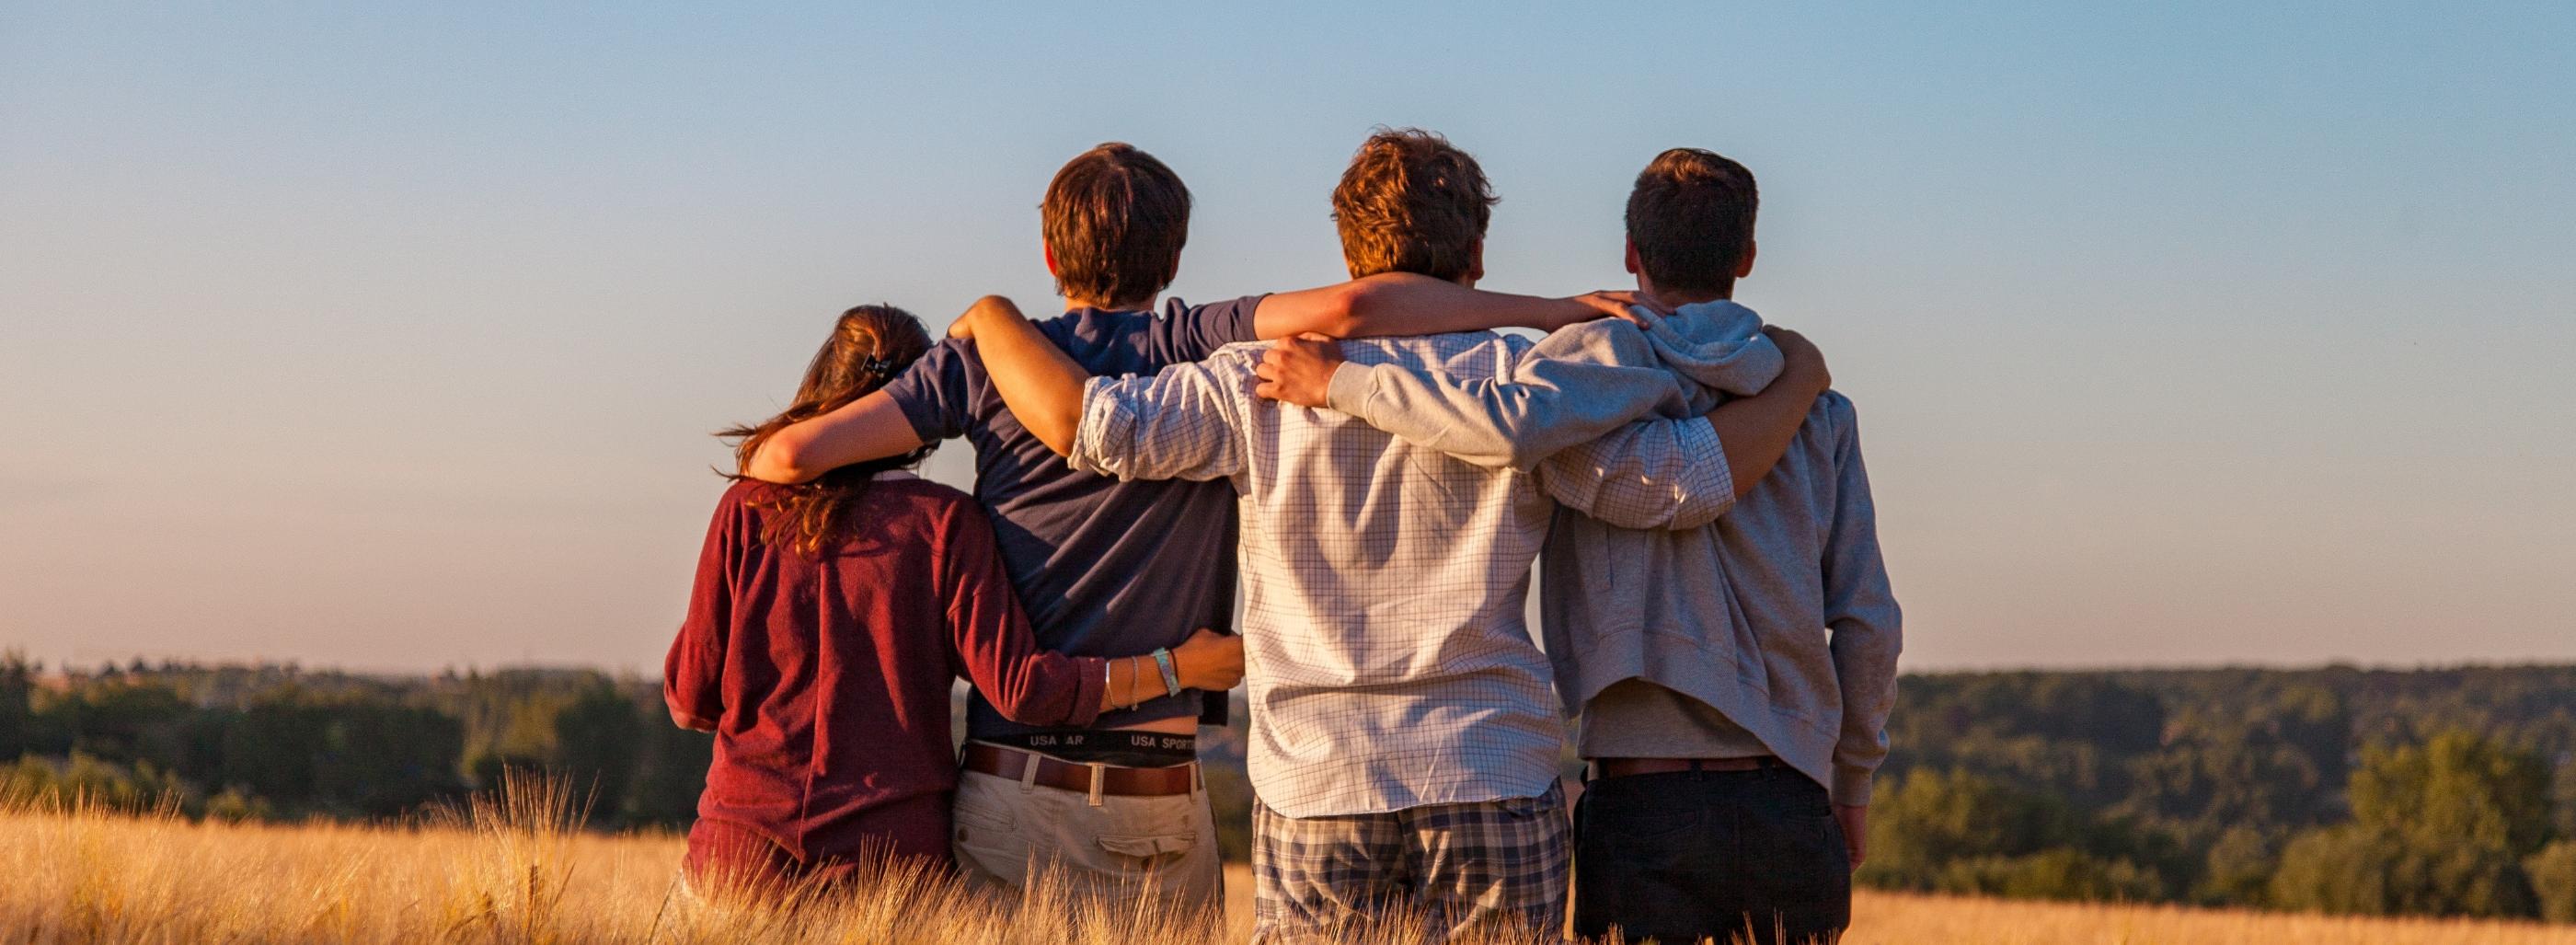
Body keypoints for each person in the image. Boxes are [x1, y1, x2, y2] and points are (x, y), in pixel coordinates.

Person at [952, 128, 1831, 943]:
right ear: (1478, 255)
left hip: (1317, 782)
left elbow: (1098, 429)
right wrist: (1796, 381)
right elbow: (1678, 485)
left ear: (1348, 253)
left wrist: (991, 318)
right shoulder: (1526, 383)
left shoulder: (1255, 379)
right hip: (1491, 770)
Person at [732, 142, 1653, 908]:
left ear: (1050, 256)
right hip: (1175, 789)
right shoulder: (1200, 341)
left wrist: (979, 333)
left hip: (1028, 780)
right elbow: (1352, 310)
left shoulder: (988, 364)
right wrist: (1551, 310)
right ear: (1173, 260)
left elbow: (785, 461)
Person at [1254, 147, 1902, 944]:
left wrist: (1342, 382)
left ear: (1631, 253)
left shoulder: (1574, 386)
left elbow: (1507, 427)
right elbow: (1868, 619)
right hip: (1792, 799)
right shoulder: (1820, 412)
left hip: (1642, 800)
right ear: (1747, 258)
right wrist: (1852, 781)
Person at [662, 304, 1245, 896]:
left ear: (823, 383)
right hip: (889, 872)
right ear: (921, 406)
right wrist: (1179, 668)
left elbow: (691, 700)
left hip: (739, 858)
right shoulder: (945, 524)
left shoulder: (747, 510)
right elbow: (1023, 689)